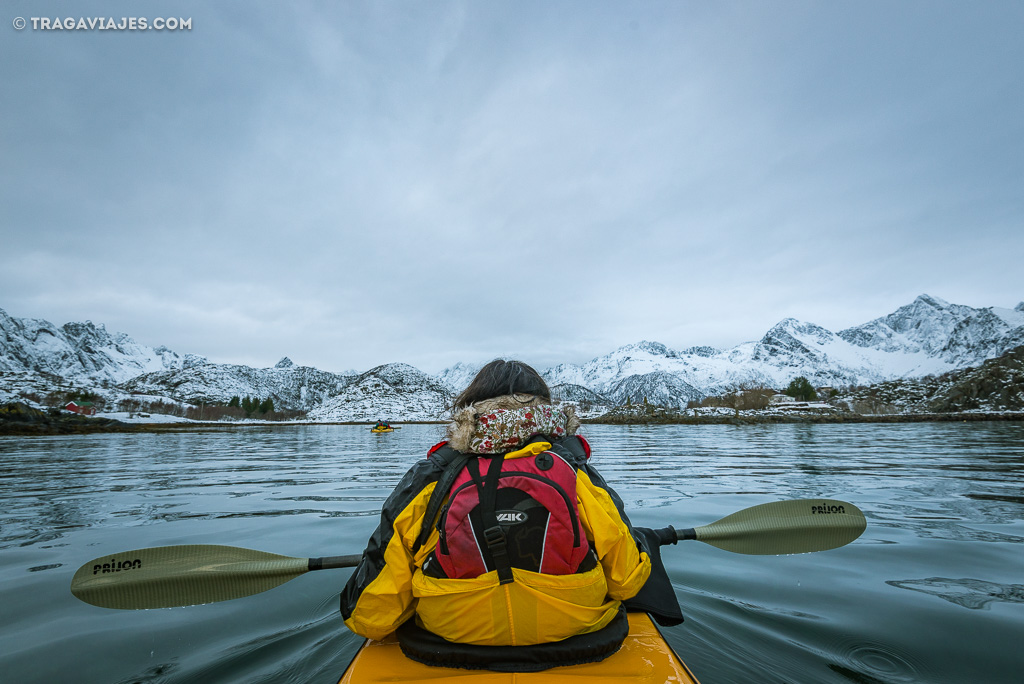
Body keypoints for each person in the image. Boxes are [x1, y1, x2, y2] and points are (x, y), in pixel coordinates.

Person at [341, 360, 654, 668]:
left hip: (452, 635)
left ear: (471, 409)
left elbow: (369, 616)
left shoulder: (435, 475)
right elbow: (626, 582)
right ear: (545, 410)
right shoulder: (575, 471)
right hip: (572, 630)